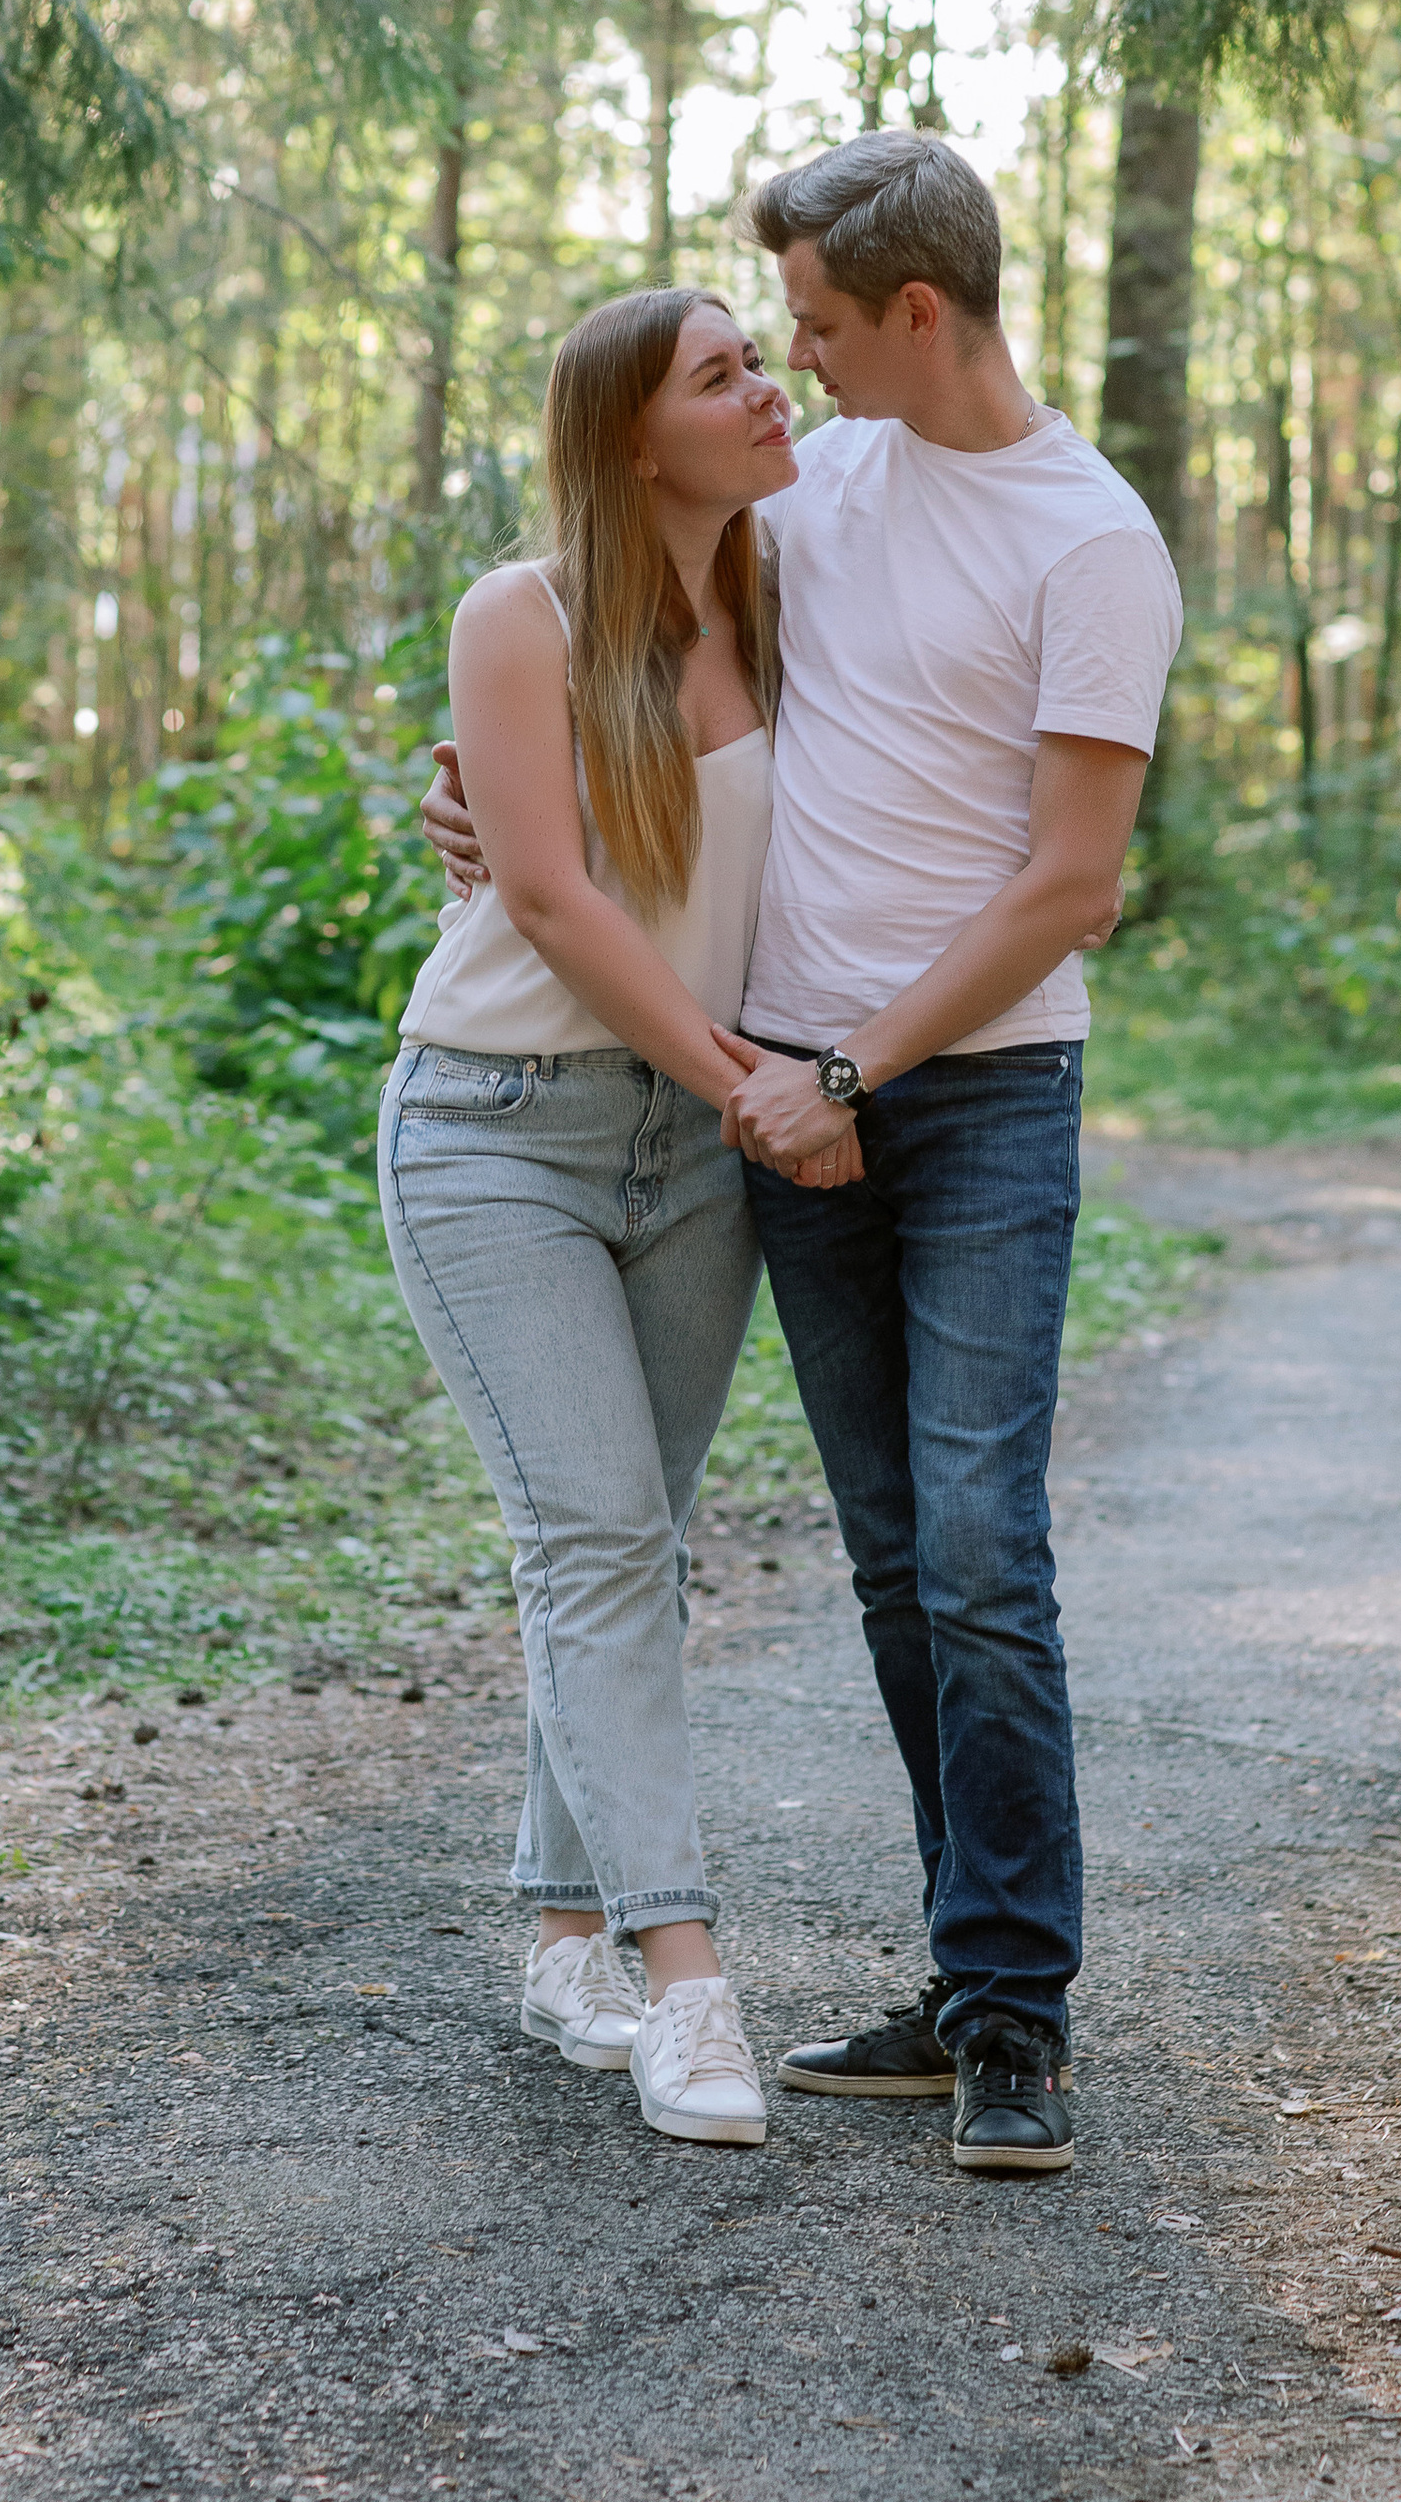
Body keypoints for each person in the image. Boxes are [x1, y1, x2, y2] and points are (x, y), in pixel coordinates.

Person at [425, 135, 1181, 2175]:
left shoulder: (1086, 543)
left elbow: (1071, 888)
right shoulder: (808, 491)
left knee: (973, 1545)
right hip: (772, 1102)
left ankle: (1011, 2011)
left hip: (961, 1092)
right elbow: (613, 655)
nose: (796, 366)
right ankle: (941, 1987)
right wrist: (485, 796)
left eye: (820, 330)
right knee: (880, 1559)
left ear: (911, 316)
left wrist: (839, 1067)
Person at [380, 283, 856, 2152]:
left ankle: (564, 1932)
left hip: (693, 1156)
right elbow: (561, 908)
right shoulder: (527, 616)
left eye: (763, 359)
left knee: (632, 1552)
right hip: (500, 1131)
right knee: (593, 1538)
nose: (766, 390)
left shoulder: (784, 593)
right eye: (722, 374)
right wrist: (748, 1076)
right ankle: (687, 1978)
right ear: (626, 434)